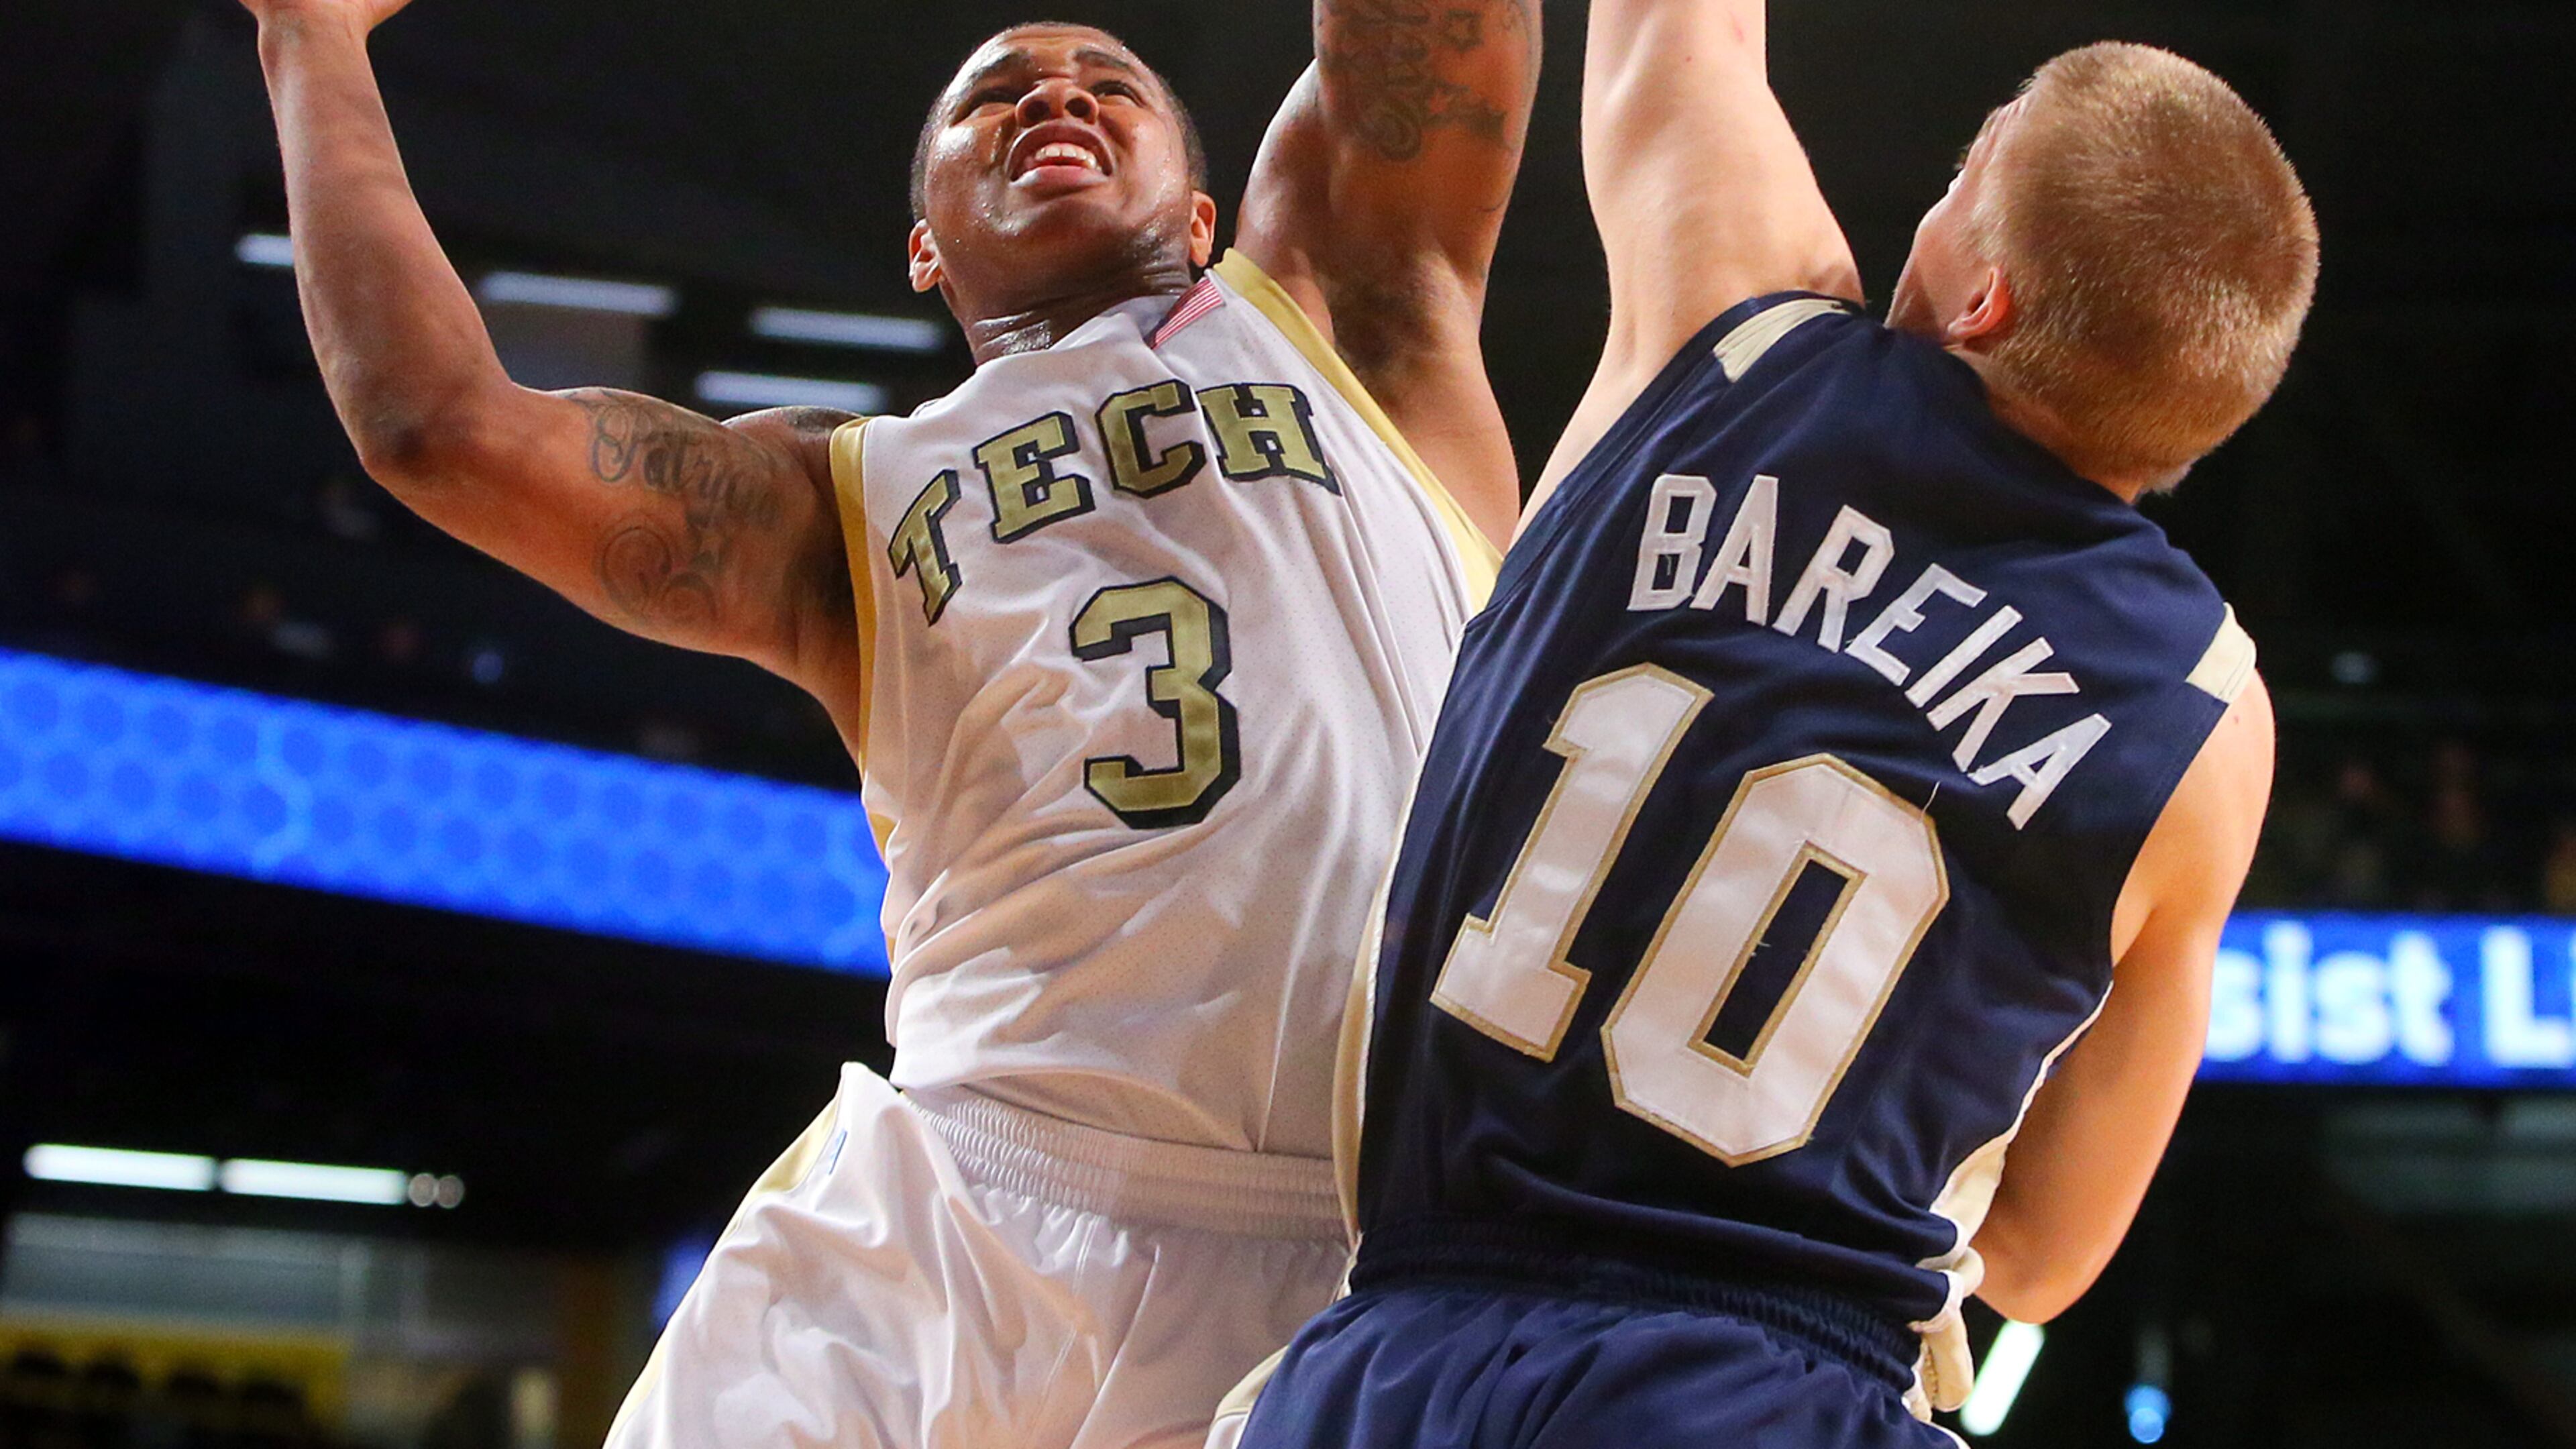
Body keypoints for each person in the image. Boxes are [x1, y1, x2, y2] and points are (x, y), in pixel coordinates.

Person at [233, 0, 1537, 1444]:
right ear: (925, 242)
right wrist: (312, 36)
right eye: (997, 98)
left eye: (1112, 85)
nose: (1059, 101)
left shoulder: (1349, 311)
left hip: (1344, 1250)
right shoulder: (829, 500)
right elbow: (441, 429)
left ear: (1207, 207)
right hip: (959, 1206)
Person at [1232, 5, 2314, 1445]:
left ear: (1980, 300)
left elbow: (1676, 33)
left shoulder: (1734, 325)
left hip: (1401, 1365)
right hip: (1781, 1390)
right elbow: (2050, 1259)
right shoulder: (2204, 716)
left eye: (1962, 172)